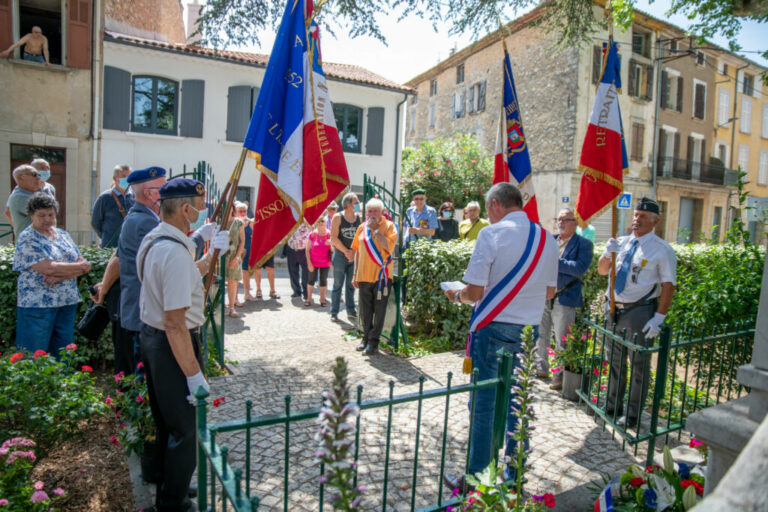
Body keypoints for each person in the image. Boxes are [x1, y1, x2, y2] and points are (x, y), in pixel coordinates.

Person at [442, 183, 558, 492]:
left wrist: (455, 295)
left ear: (494, 205)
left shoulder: (490, 234)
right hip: (528, 332)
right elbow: (549, 292)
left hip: (493, 329)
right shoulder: (547, 238)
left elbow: (475, 292)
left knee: (484, 406)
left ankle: (478, 481)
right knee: (516, 406)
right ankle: (514, 476)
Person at [136, 178, 227, 512]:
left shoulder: (157, 238)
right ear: (186, 209)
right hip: (173, 343)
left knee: (167, 422)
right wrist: (194, 375)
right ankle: (172, 504)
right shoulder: (172, 253)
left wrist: (206, 245)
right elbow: (175, 323)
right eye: (198, 206)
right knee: (186, 429)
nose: (201, 211)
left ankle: (168, 483)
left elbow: (188, 272)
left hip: (155, 340)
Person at [598, 197, 676, 429]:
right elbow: (603, 271)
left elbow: (668, 286)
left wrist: (659, 317)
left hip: (639, 310)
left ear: (655, 221)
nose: (637, 220)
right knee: (614, 361)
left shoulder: (662, 250)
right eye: (635, 215)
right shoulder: (620, 242)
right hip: (613, 308)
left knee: (639, 366)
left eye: (642, 217)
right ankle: (612, 406)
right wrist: (606, 254)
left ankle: (632, 414)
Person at [13, 193, 91, 355]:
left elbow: (84, 264)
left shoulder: (62, 234)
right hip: (38, 304)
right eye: (41, 215)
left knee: (64, 350)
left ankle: (62, 380)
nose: (47, 219)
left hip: (66, 300)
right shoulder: (28, 237)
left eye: (51, 215)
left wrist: (60, 275)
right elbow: (47, 268)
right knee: (34, 352)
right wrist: (73, 268)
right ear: (31, 216)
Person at [536, 208, 594, 390]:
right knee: (541, 334)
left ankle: (559, 375)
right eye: (559, 219)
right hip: (544, 294)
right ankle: (540, 368)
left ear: (575, 223)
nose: (560, 223)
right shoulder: (550, 240)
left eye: (565, 219)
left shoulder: (583, 244)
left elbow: (578, 269)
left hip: (565, 296)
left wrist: (554, 261)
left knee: (563, 339)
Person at [351, 198, 398, 356]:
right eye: (369, 211)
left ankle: (374, 342)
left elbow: (389, 247)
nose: (372, 214)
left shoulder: (389, 226)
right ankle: (365, 338)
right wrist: (355, 274)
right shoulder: (361, 228)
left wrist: (375, 231)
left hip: (382, 277)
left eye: (375, 211)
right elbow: (357, 252)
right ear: (366, 213)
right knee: (365, 310)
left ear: (382, 212)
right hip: (364, 275)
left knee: (379, 311)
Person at [329, 192, 361, 322]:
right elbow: (333, 238)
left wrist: (353, 252)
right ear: (348, 204)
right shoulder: (338, 217)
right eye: (356, 202)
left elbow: (360, 238)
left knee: (351, 285)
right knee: (337, 284)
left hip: (353, 255)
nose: (358, 204)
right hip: (340, 256)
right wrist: (346, 252)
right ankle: (334, 311)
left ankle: (351, 310)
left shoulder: (359, 218)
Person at [91, 165, 134, 248]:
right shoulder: (104, 198)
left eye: (129, 176)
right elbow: (95, 222)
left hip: (129, 246)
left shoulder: (134, 197)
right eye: (124, 177)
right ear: (115, 179)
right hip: (111, 246)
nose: (127, 179)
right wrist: (107, 235)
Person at [7, 165, 42, 239]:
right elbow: (44, 214)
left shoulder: (36, 193)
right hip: (31, 246)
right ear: (20, 177)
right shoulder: (20, 197)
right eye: (34, 175)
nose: (38, 178)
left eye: (39, 175)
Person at [225, 204, 246, 317]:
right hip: (221, 255)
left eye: (229, 207)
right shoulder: (218, 221)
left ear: (232, 208)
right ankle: (220, 304)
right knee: (218, 281)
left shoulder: (238, 222)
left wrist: (237, 257)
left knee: (232, 281)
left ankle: (232, 307)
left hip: (233, 255)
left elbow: (242, 241)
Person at [306, 215, 332, 307]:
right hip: (313, 262)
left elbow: (333, 249)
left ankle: (322, 300)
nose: (321, 223)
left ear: (326, 223)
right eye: (319, 221)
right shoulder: (312, 234)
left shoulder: (329, 234)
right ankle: (308, 299)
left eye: (323, 221)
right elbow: (307, 250)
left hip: (325, 262)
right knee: (311, 280)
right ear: (316, 224)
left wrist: (331, 243)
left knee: (323, 280)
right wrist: (309, 263)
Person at [285, 222, 311, 300]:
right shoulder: (291, 218)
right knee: (293, 271)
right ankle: (296, 291)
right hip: (291, 248)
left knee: (306, 272)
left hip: (304, 249)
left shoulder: (308, 219)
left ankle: (306, 292)